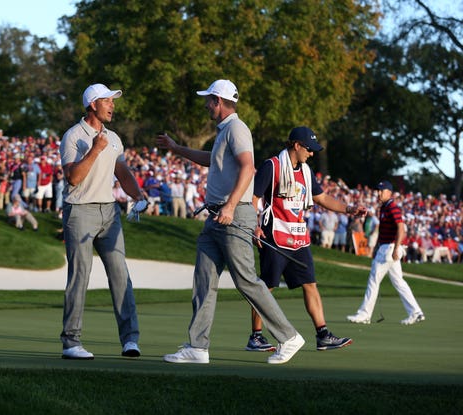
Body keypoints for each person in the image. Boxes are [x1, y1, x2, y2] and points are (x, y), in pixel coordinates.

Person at [159, 79, 305, 365]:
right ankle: (197, 346)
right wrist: (177, 149)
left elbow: (248, 167)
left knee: (246, 280)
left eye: (209, 100)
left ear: (219, 101)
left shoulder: (237, 128)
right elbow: (211, 160)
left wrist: (229, 205)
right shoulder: (225, 131)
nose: (206, 105)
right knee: (203, 280)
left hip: (233, 213)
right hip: (216, 218)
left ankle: (288, 336)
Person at [246, 126, 367, 353]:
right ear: (297, 145)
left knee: (310, 284)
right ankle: (256, 336)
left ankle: (323, 335)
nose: (311, 154)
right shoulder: (271, 166)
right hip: (275, 236)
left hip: (299, 238)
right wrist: (254, 226)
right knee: (266, 287)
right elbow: (254, 197)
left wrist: (349, 209)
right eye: (309, 149)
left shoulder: (306, 171)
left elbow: (322, 198)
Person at [59, 83, 147, 360]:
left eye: (113, 101)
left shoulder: (114, 137)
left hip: (109, 213)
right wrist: (95, 150)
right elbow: (73, 177)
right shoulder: (73, 136)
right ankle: (71, 342)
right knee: (80, 276)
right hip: (79, 211)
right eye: (107, 101)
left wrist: (139, 195)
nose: (112, 106)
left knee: (120, 274)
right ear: (93, 104)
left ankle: (130, 340)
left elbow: (122, 171)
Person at [347, 180, 425, 325]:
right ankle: (416, 312)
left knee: (373, 280)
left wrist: (396, 248)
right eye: (378, 191)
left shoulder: (392, 207)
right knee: (398, 282)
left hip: (389, 249)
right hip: (386, 248)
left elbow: (401, 228)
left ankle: (364, 314)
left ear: (389, 193)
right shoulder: (384, 208)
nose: (378, 193)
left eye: (381, 191)